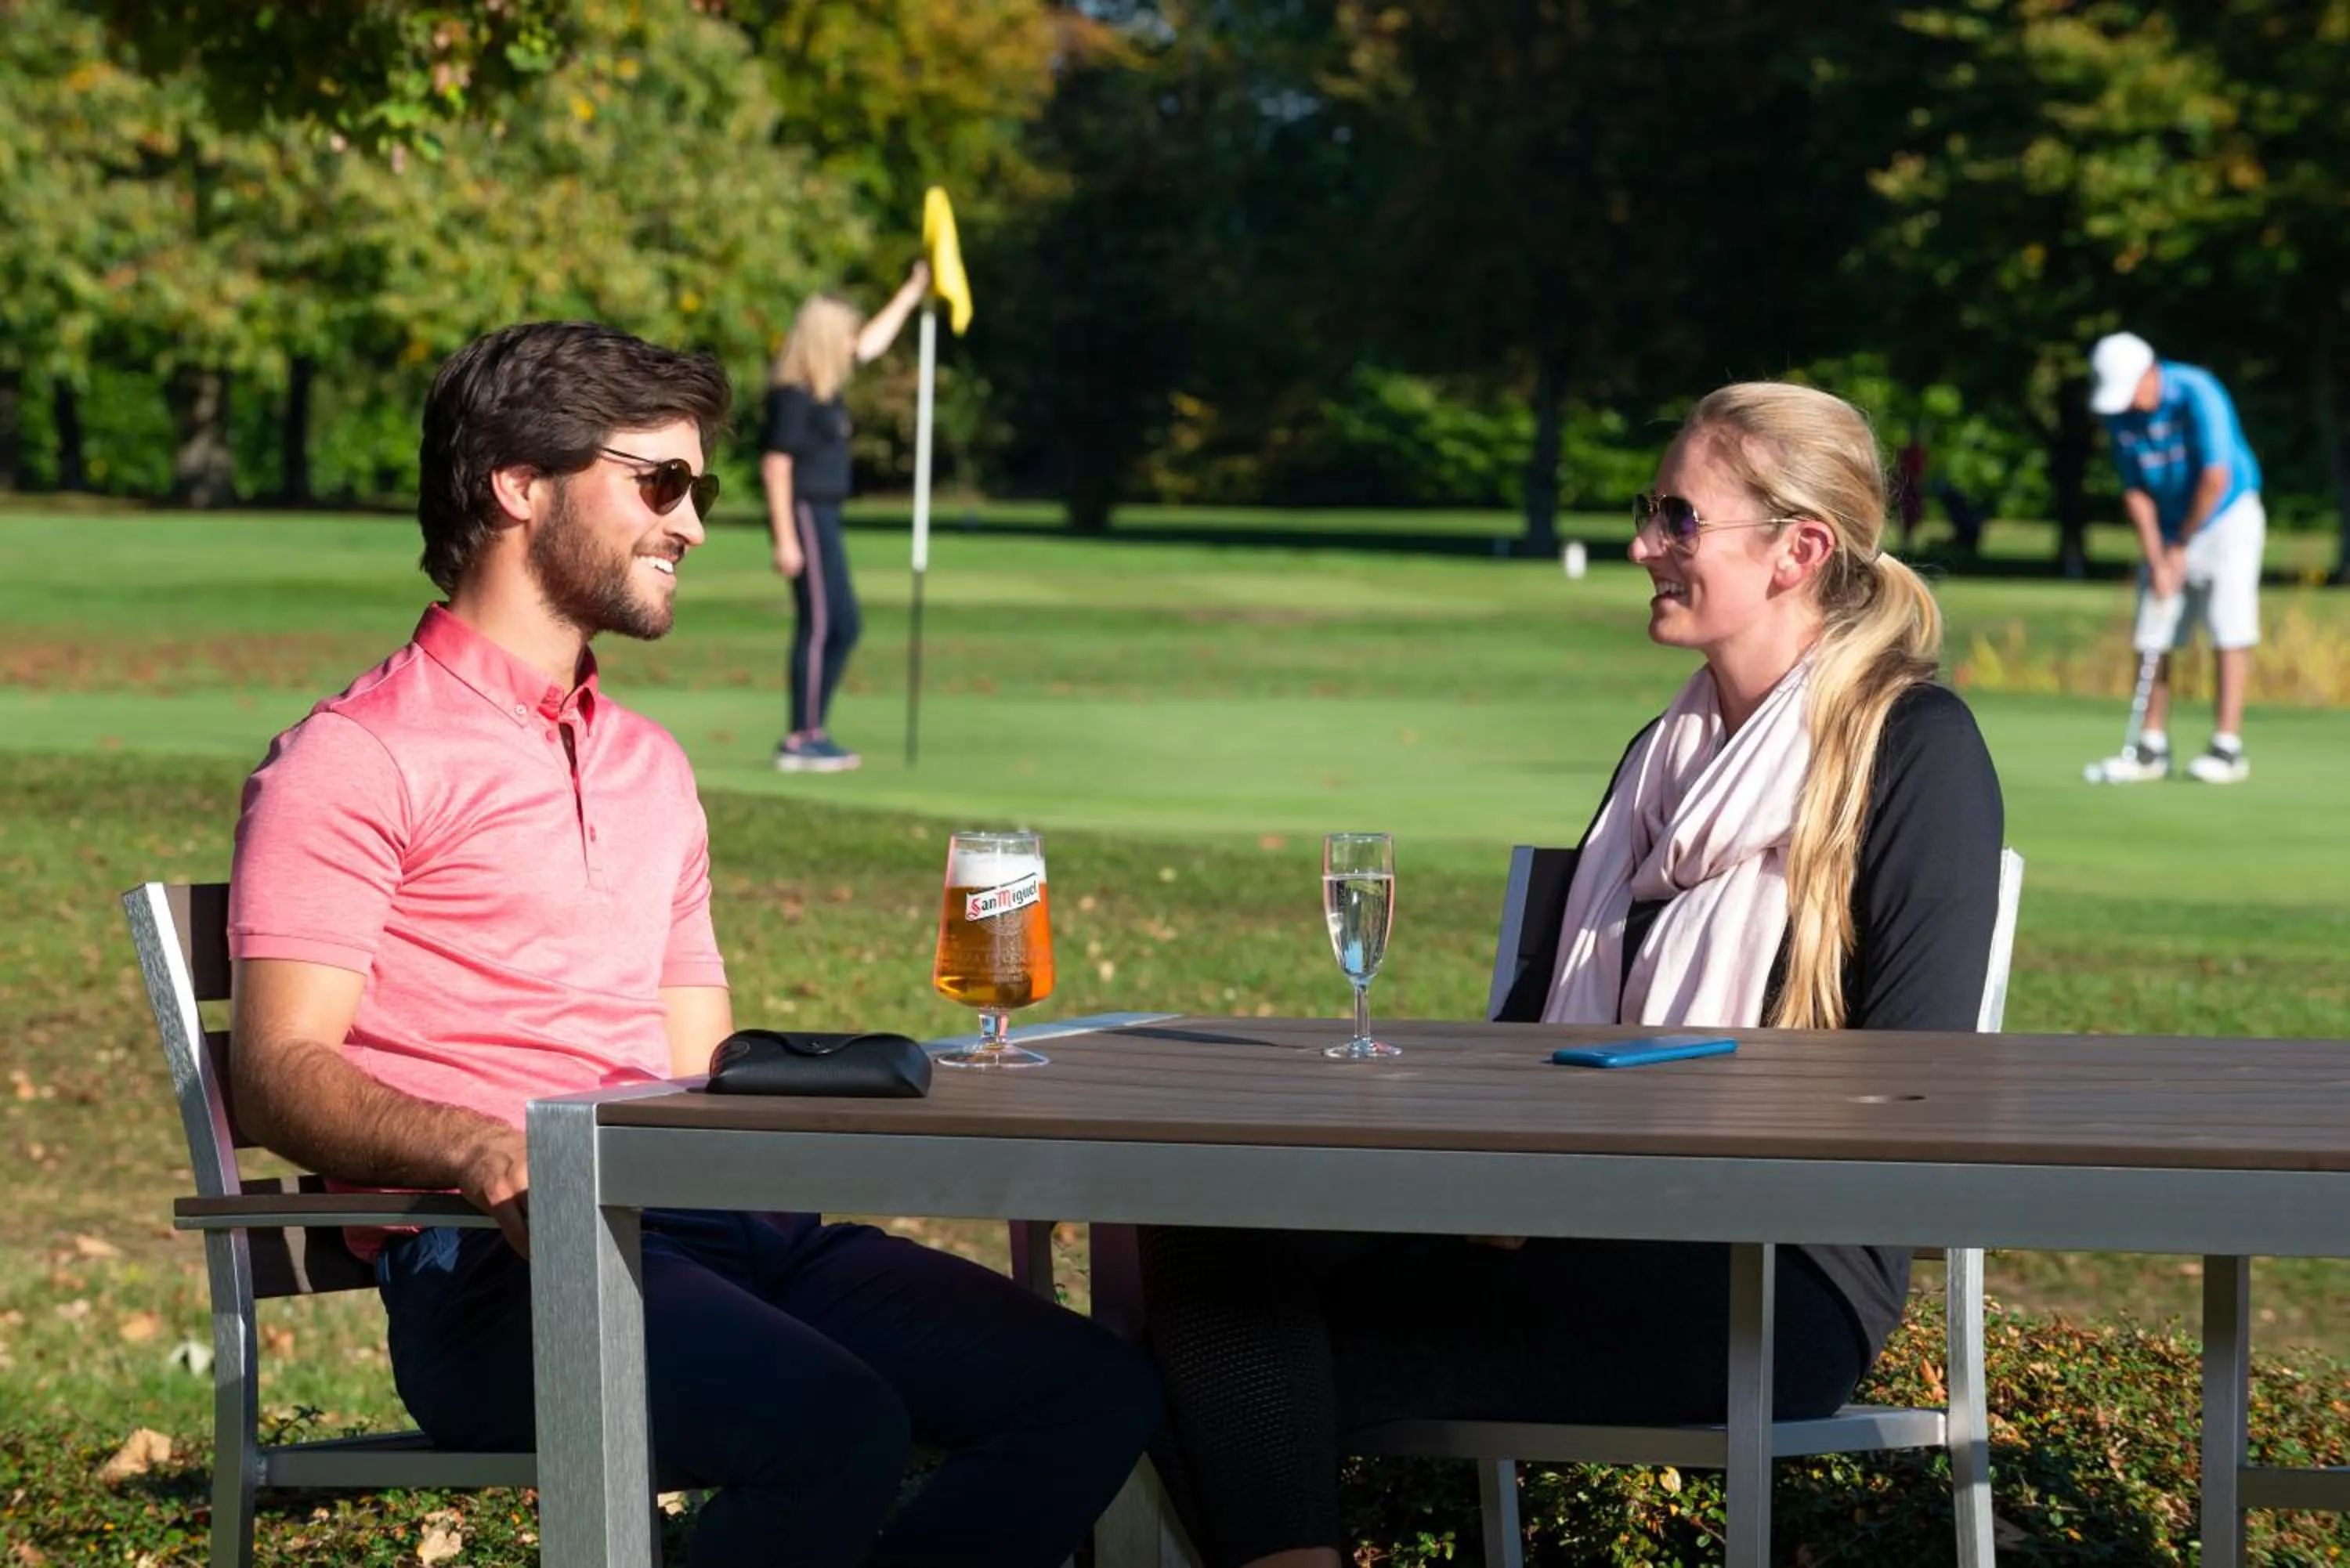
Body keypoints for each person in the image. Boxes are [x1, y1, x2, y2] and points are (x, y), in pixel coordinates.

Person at [226, 321, 1158, 1568]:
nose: (695, 524)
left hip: (725, 1235)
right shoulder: (355, 756)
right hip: (506, 1273)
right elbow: (278, 1066)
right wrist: (484, 1150)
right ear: (518, 482)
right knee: (833, 1427)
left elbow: (697, 1059)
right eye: (659, 483)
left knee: (1089, 1388)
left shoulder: (649, 766)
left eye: (701, 489)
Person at [1134, 382, 2005, 1568]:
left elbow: (1917, 1091)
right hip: (1562, 1224)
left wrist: (1644, 1137)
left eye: (1679, 520)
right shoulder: (1661, 758)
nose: (1645, 545)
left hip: (1768, 1277)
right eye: (1651, 512)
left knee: (1187, 1374)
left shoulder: (1916, 749)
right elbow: (1521, 1039)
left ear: (1799, 550)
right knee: (1200, 1227)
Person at [764, 262, 931, 772]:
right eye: (843, 336)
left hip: (826, 513)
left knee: (846, 624)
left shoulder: (825, 389)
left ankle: (814, 729)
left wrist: (912, 291)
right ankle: (801, 738)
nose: (850, 344)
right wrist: (786, 539)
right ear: (824, 338)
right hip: (806, 514)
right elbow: (776, 465)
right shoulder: (794, 394)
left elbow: (872, 343)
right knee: (820, 625)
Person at [2084, 331, 2266, 784]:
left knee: (2229, 626)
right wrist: (2158, 556)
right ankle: (2151, 747)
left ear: (2151, 372)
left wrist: (2181, 545)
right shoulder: (2120, 414)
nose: (2129, 403)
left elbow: (2216, 475)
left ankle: (2227, 747)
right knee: (2153, 630)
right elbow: (2135, 491)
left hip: (2227, 515)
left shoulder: (2197, 392)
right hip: (2167, 527)